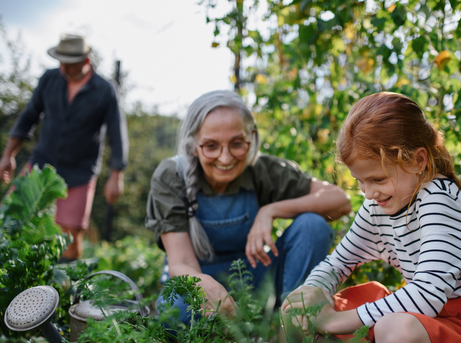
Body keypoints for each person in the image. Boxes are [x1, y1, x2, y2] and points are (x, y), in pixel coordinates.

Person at [282, 92, 461, 343]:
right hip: (423, 323)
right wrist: (313, 291)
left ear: (418, 160)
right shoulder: (379, 203)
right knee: (299, 304)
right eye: (360, 182)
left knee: (394, 333)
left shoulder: (439, 199)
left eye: (377, 179)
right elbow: (339, 262)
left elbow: (427, 296)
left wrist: (334, 321)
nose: (369, 192)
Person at [145, 90, 351, 326]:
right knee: (178, 314)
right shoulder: (171, 175)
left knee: (312, 225)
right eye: (211, 146)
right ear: (193, 145)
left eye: (237, 144)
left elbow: (339, 201)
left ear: (251, 138)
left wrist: (270, 211)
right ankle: (229, 333)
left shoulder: (262, 170)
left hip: (256, 280)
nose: (225, 158)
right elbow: (181, 263)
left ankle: (291, 325)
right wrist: (208, 288)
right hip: (196, 281)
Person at [0, 33, 129, 261]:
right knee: (10, 218)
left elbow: (117, 134)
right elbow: (28, 117)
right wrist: (8, 154)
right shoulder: (50, 79)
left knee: (69, 235)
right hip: (41, 164)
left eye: (69, 64)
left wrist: (116, 175)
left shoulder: (105, 90)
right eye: (60, 62)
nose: (63, 68)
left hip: (79, 172)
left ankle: (66, 288)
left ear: (85, 62)